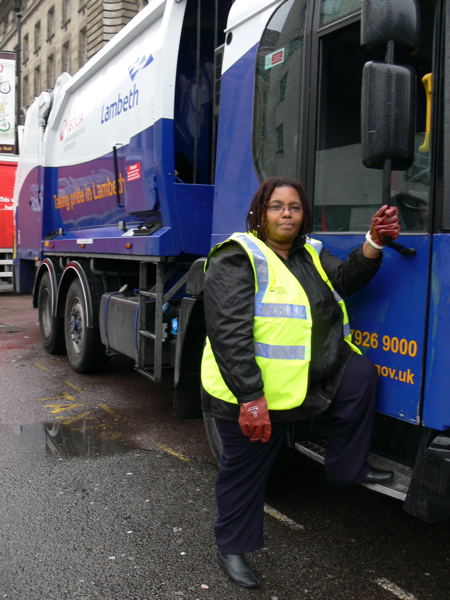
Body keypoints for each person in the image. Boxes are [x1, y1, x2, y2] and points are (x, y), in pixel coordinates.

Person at [200, 176, 401, 589]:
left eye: (294, 206)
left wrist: (374, 242)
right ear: (260, 213)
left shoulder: (310, 252)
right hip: (251, 392)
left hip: (307, 380)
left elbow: (346, 279)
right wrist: (251, 398)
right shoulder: (237, 257)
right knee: (244, 471)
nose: (286, 213)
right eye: (277, 206)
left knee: (360, 374)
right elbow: (228, 333)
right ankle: (232, 547)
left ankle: (346, 470)